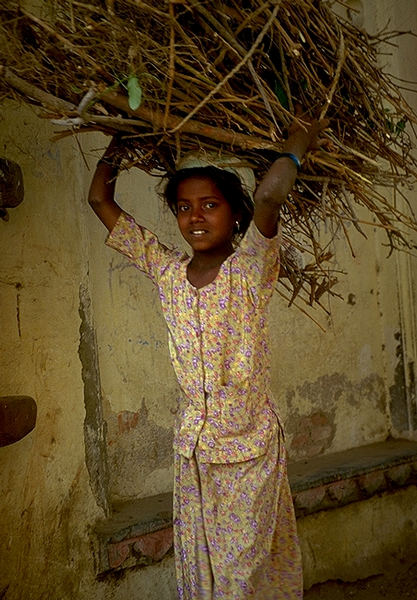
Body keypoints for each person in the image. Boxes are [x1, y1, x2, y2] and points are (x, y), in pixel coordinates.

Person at [88, 116, 327, 599]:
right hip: (194, 454)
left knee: (242, 578)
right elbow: (98, 200)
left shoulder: (251, 268)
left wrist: (302, 138)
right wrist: (121, 138)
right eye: (184, 207)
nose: (195, 217)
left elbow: (270, 196)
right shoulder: (167, 271)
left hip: (247, 452)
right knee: (203, 578)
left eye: (210, 205)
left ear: (234, 214)